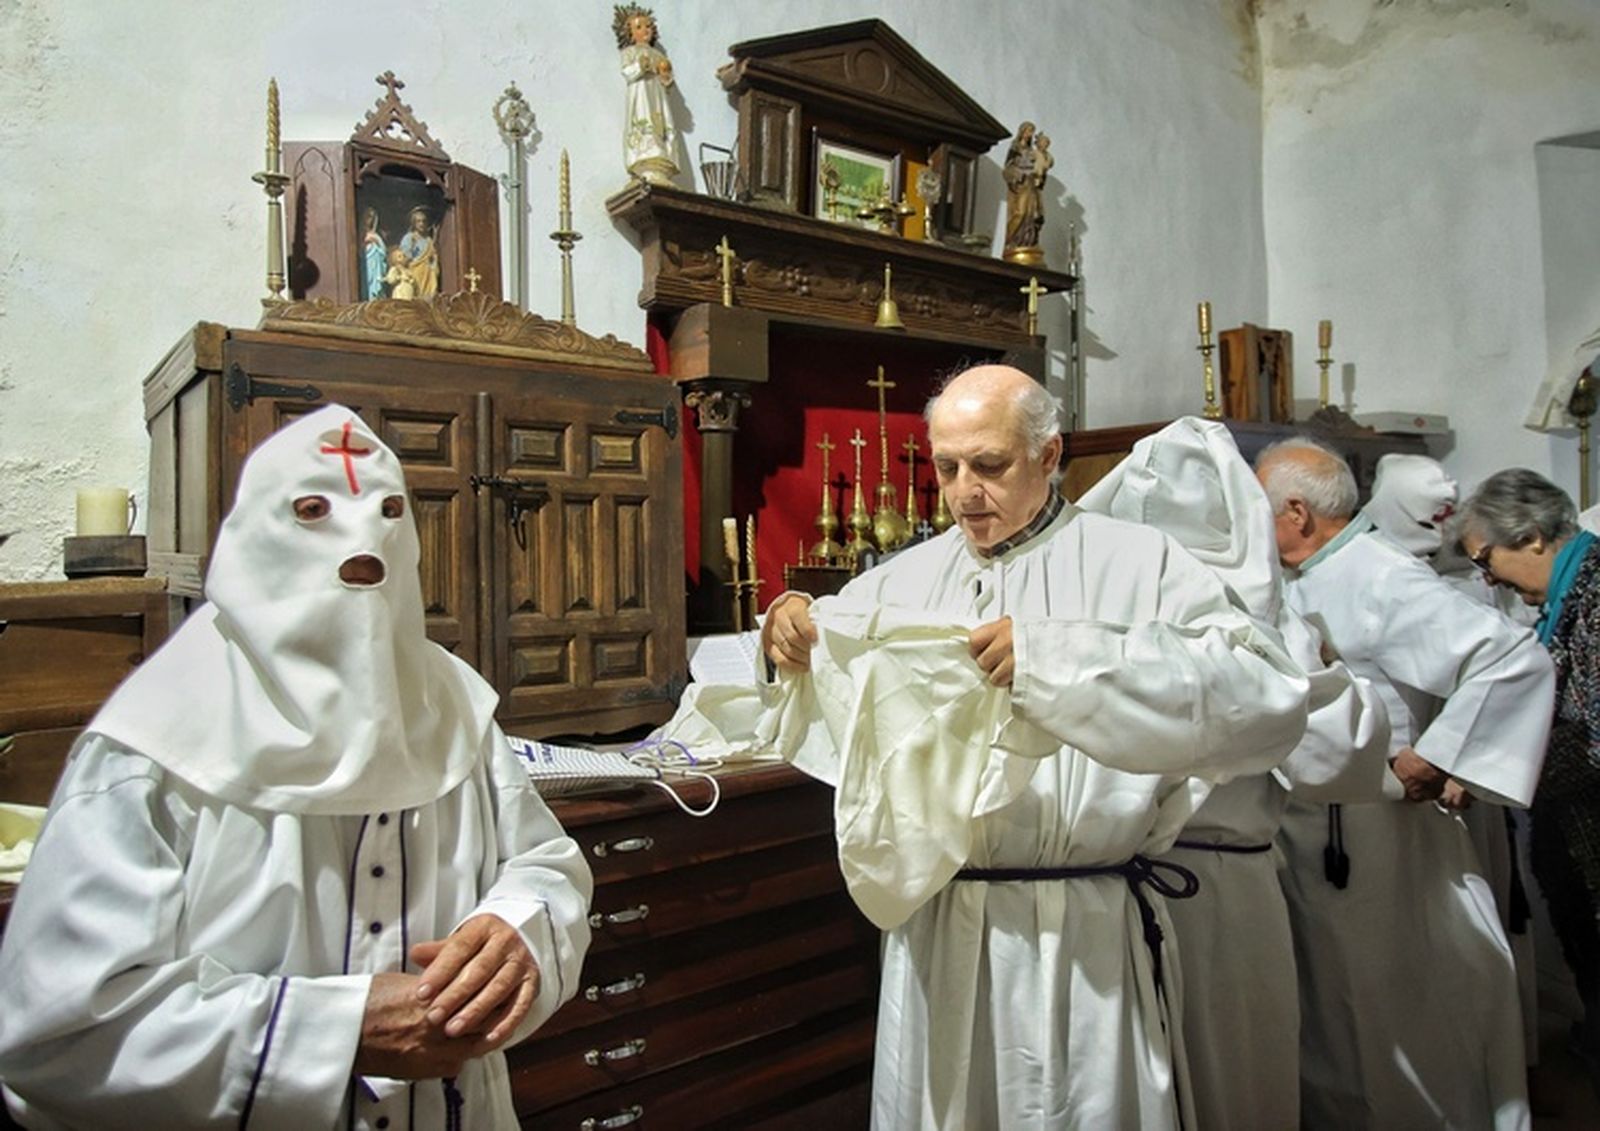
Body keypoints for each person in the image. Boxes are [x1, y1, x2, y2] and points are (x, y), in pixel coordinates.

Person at [0, 406, 593, 1129]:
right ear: (258, 533)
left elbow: (544, 863)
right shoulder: (155, 740)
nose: (361, 539)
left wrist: (518, 928)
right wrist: (334, 1030)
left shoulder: (453, 707)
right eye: (314, 509)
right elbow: (60, 1034)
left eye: (387, 511)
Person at [762, 365, 1313, 1129]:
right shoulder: (903, 579)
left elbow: (1266, 696)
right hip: (942, 930)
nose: (963, 492)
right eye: (946, 466)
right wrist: (788, 628)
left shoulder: (1141, 564)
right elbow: (815, 680)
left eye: (990, 465)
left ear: (1049, 455)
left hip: (1079, 926)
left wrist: (1066, 665)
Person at [1079, 418, 1390, 1131]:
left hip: (1139, 886)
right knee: (1231, 1080)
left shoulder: (1097, 607)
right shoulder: (1267, 620)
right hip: (1193, 887)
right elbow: (1336, 755)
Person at [1256, 435, 1553, 1130]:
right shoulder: (1305, 576)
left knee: (1403, 1014)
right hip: (1321, 839)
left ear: (1296, 512)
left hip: (1385, 841)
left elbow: (1510, 657)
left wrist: (1439, 755)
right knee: (1336, 1019)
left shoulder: (1378, 574)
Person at [1458, 468, 1600, 1088]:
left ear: (1534, 537)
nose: (1489, 579)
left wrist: (1494, 770)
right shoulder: (1571, 596)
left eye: (1487, 560)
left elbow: (1596, 735)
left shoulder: (1595, 595)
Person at [613, 5, 679, 185]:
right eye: (639, 27)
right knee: (643, 118)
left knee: (660, 120)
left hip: (656, 95)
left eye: (648, 26)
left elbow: (666, 80)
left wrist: (666, 76)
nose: (646, 30)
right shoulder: (630, 52)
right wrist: (640, 67)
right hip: (641, 93)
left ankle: (660, 156)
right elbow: (627, 72)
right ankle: (644, 156)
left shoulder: (658, 55)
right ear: (630, 34)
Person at [1001, 122, 1045, 260]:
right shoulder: (1015, 147)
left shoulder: (1033, 151)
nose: (1030, 134)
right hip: (1020, 185)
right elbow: (1007, 168)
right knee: (1020, 213)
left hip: (1031, 185)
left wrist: (1040, 173)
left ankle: (1028, 241)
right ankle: (1011, 242)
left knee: (1032, 215)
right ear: (1022, 131)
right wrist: (1018, 174)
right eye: (1028, 131)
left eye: (1032, 131)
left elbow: (1041, 168)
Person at [399, 207, 439, 298]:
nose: (421, 224)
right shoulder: (409, 238)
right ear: (414, 223)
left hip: (427, 275)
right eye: (418, 221)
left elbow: (433, 257)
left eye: (424, 221)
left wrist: (433, 266)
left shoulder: (429, 240)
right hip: (414, 273)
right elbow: (404, 257)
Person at [360, 207, 387, 301]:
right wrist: (365, 243)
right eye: (367, 216)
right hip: (366, 265)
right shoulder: (361, 234)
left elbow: (383, 252)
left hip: (376, 267)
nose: (369, 220)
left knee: (376, 287)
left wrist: (377, 242)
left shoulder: (376, 235)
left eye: (371, 217)